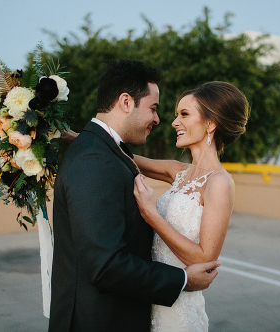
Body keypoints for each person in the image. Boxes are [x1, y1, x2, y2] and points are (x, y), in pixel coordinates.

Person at [48, 59, 222, 331]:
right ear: (126, 102)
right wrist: (183, 281)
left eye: (184, 115)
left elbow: (130, 158)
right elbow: (105, 266)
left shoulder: (102, 152)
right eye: (153, 108)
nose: (161, 119)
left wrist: (83, 137)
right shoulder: (95, 159)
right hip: (100, 320)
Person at [132, 81, 249, 331]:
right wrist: (68, 136)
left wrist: (151, 214)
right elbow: (121, 157)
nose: (174, 122)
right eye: (176, 115)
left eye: (184, 114)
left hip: (180, 309)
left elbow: (206, 258)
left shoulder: (219, 183)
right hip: (151, 296)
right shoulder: (180, 172)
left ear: (210, 123)